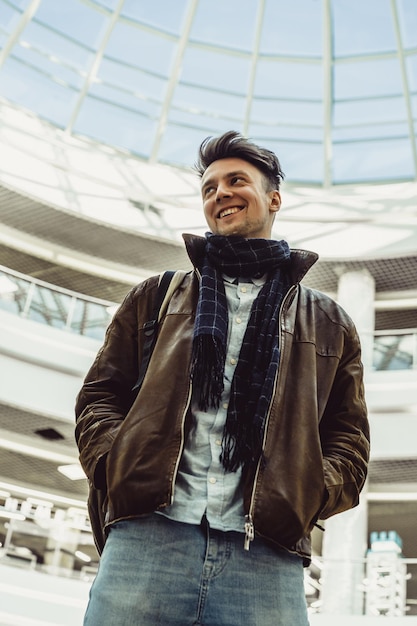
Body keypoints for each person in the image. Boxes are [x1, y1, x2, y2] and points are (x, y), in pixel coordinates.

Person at [75, 131, 370, 626]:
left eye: (236, 181)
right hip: (147, 538)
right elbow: (98, 398)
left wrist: (306, 493)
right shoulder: (156, 296)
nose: (220, 194)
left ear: (274, 198)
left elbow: (350, 438)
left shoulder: (328, 321)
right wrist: (115, 463)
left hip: (266, 555)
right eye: (209, 187)